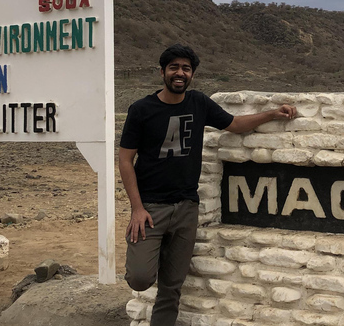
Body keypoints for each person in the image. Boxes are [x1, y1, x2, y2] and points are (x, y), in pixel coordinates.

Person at [118, 43, 297, 326]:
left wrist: (273, 113)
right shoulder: (141, 109)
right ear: (162, 71)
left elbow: (235, 124)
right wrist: (137, 208)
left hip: (187, 208)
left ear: (192, 74)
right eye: (174, 67)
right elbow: (126, 160)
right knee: (140, 278)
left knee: (172, 287)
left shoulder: (199, 103)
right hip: (150, 209)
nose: (180, 73)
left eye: (186, 69)